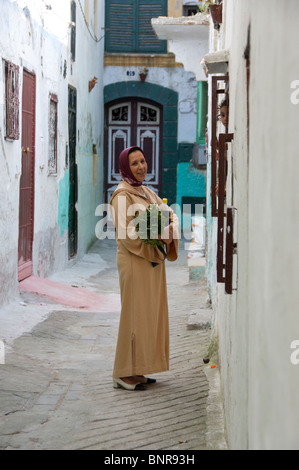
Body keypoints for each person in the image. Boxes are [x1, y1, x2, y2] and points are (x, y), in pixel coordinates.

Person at [109, 146, 179, 391]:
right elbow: (126, 233)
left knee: (147, 315)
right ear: (126, 168)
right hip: (134, 261)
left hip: (151, 261)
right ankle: (122, 371)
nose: (141, 167)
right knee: (133, 315)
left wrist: (171, 231)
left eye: (143, 161)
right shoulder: (122, 195)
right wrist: (160, 235)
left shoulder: (147, 192)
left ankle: (136, 369)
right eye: (135, 163)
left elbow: (169, 213)